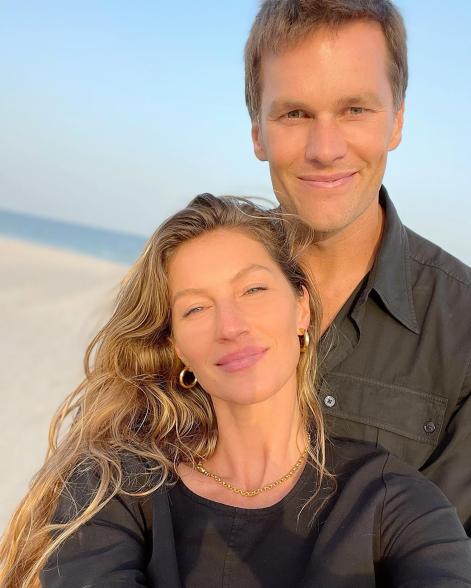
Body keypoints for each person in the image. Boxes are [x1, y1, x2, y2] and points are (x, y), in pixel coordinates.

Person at [1, 195, 470, 587]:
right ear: (177, 347)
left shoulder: (394, 500)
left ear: (302, 308)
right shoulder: (113, 487)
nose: (231, 326)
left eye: (253, 290)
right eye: (196, 308)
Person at [245, 0, 471, 532]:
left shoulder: (463, 328)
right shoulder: (188, 291)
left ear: (396, 122)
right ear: (258, 131)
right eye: (295, 113)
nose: (325, 149)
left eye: (355, 110)